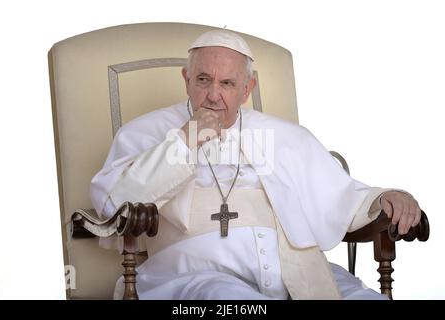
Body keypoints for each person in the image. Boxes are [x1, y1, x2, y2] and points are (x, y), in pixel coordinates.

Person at [90, 29, 422, 300]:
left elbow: (344, 198)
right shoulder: (143, 132)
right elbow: (112, 203)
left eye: (228, 84)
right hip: (195, 276)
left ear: (248, 89)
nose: (213, 95)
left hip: (294, 272)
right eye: (204, 80)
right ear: (186, 79)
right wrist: (184, 141)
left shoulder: (286, 135)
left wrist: (386, 198)